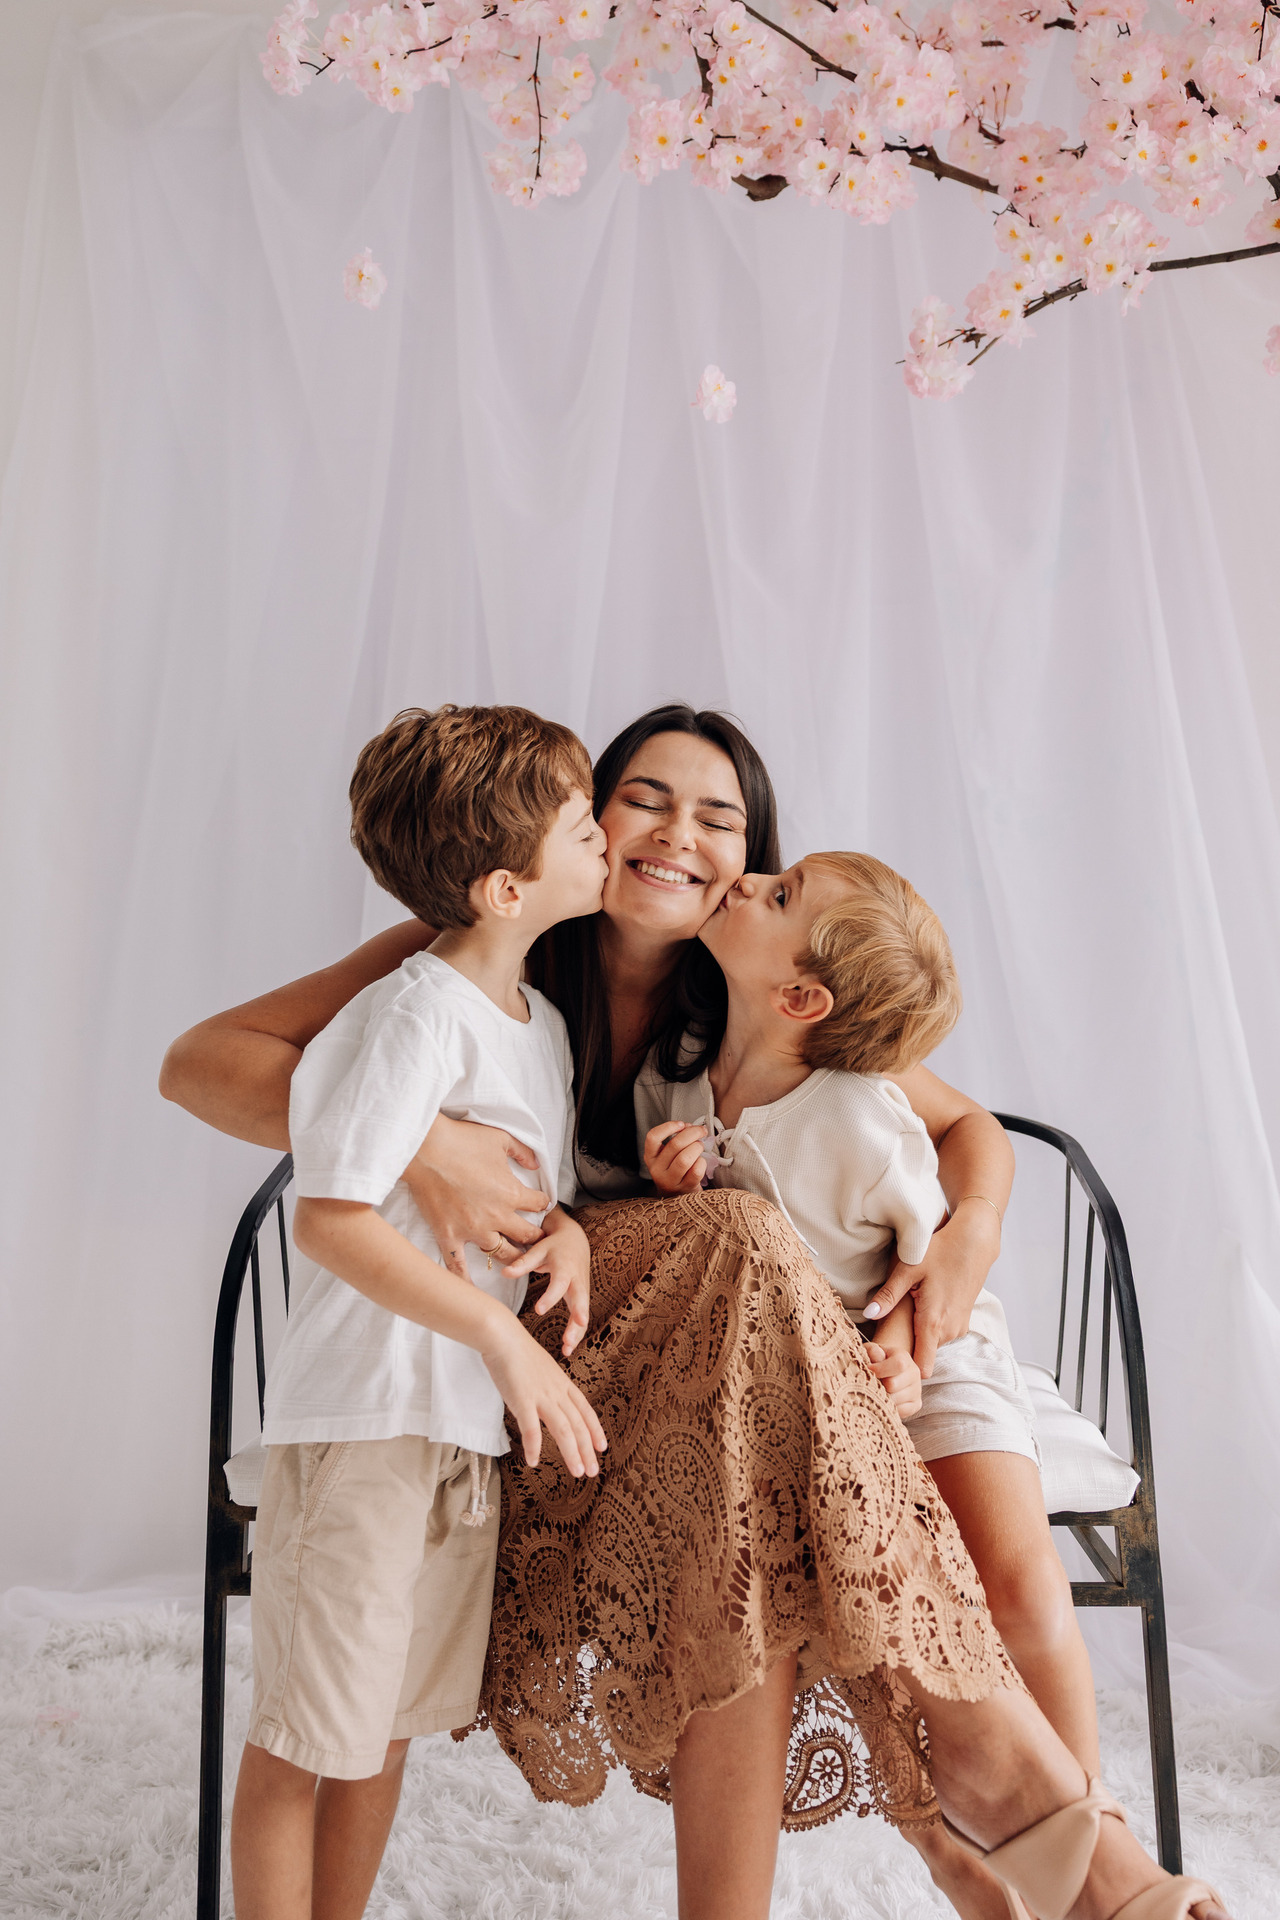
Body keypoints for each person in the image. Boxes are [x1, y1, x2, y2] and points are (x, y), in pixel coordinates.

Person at [161, 704, 1228, 1920]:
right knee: (740, 1242)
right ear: (581, 824)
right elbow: (199, 1063)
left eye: (718, 819)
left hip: (745, 1368)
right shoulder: (493, 931)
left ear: (748, 858)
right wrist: (417, 1142)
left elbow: (961, 1126)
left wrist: (965, 1239)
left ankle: (985, 1827)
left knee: (746, 1456)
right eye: (642, 801)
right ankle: (1017, 1815)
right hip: (571, 1348)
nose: (678, 836)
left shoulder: (758, 981)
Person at [636, 849, 1101, 1920]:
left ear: (804, 997)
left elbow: (926, 1258)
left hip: (925, 1347)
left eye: (779, 893)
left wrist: (901, 1346)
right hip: (807, 1379)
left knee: (1019, 1588)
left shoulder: (856, 1110)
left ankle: (1083, 1846)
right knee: (851, 1585)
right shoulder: (673, 1078)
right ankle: (960, 1844)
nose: (749, 879)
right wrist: (672, 1182)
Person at [229, 704, 610, 1920]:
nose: (606, 838)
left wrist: (563, 1232)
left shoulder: (539, 1026)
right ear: (506, 889)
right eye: (584, 826)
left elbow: (524, 1190)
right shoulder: (412, 1013)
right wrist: (497, 1337)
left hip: (452, 1433)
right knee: (305, 1738)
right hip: (366, 1423)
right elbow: (330, 1220)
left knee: (382, 1728)